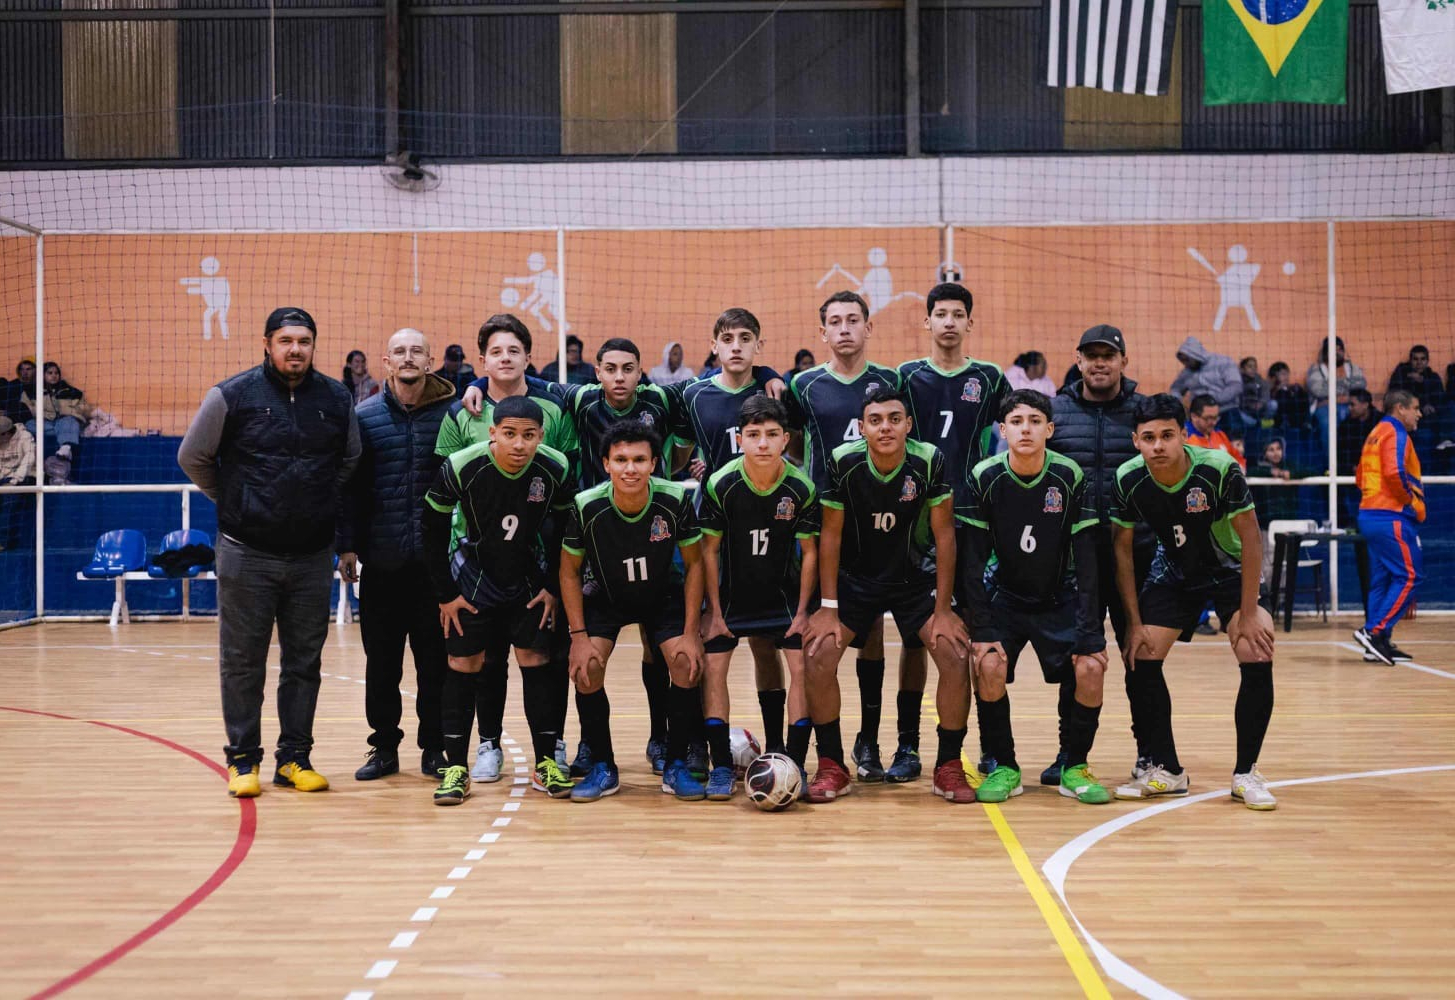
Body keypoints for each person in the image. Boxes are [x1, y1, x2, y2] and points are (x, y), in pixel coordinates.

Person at [178, 306, 361, 798]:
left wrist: (317, 501)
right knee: (242, 661)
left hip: (309, 557)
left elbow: (349, 461)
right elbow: (192, 457)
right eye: (286, 340)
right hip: (246, 553)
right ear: (267, 343)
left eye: (304, 340)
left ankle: (294, 760)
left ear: (313, 346)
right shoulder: (232, 395)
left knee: (304, 662)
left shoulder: (336, 397)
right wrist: (235, 498)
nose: (295, 349)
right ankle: (242, 760)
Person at [801, 386, 971, 804]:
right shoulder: (843, 462)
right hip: (856, 579)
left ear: (908, 425)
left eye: (895, 419)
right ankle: (831, 765)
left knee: (953, 652)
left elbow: (945, 534)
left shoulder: (928, 460)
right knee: (819, 652)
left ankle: (948, 765)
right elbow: (831, 535)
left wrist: (945, 608)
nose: (886, 427)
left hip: (913, 578)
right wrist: (827, 607)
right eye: (875, 420)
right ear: (862, 427)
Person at [1110, 393, 1278, 811]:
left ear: (1183, 436)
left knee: (1255, 650)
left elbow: (1253, 537)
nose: (1159, 445)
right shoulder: (1129, 478)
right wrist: (1132, 621)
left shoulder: (1219, 469)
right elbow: (1122, 552)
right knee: (1141, 653)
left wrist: (1250, 610)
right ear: (1136, 441)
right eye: (1149, 437)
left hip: (1232, 569)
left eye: (1168, 435)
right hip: (1177, 571)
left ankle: (1246, 773)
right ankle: (1168, 770)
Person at [437, 314, 578, 783]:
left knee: (540, 656)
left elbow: (560, 498)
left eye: (513, 351)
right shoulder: (466, 412)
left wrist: (553, 579)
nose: (505, 358)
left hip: (531, 561)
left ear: (527, 357)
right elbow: (437, 502)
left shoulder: (552, 410)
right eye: (495, 352)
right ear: (483, 361)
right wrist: (444, 583)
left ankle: (549, 749)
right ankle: (485, 746)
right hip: (476, 560)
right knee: (482, 660)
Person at [958, 390, 1110, 805]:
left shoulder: (1070, 475)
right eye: (1017, 422)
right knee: (986, 662)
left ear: (1049, 429)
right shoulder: (984, 476)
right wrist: (982, 624)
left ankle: (1074, 766)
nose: (1026, 428)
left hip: (1059, 596)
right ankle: (1004, 766)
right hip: (1005, 596)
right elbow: (970, 561)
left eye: (1035, 421)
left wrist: (1090, 627)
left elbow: (1088, 558)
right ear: (1002, 430)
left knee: (1092, 667)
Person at [785, 292, 911, 786]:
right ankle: (827, 750)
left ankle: (870, 739)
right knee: (826, 634)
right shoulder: (804, 385)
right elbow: (795, 443)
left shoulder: (890, 382)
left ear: (868, 327)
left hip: (879, 521)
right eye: (834, 322)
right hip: (824, 522)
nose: (844, 329)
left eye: (852, 320)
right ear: (822, 333)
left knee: (874, 633)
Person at [558, 422, 707, 802]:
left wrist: (691, 632)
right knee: (586, 668)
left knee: (685, 662)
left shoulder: (674, 499)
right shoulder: (586, 504)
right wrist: (577, 637)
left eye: (640, 460)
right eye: (621, 459)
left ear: (654, 463)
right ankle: (604, 766)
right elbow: (568, 571)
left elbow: (694, 565)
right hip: (607, 597)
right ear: (606, 463)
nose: (630, 468)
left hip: (661, 596)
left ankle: (675, 764)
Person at [898, 282, 1007, 780]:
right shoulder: (905, 376)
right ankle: (906, 746)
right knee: (915, 639)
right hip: (915, 521)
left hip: (973, 520)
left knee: (973, 634)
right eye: (939, 314)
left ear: (969, 323)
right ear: (926, 322)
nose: (947, 322)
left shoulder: (989, 377)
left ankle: (985, 746)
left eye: (957, 314)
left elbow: (1015, 430)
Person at [337, 329, 455, 783]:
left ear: (430, 361)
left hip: (436, 566)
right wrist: (347, 545)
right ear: (386, 361)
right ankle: (383, 747)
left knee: (435, 664)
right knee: (381, 664)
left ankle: (435, 749)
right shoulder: (363, 417)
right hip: (382, 564)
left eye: (417, 352)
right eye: (400, 352)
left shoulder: (453, 415)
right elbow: (349, 487)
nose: (408, 358)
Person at [677, 309, 795, 754]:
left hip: (769, 533)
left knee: (768, 645)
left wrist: (770, 375)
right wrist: (697, 465)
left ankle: (779, 744)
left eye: (747, 338)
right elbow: (679, 445)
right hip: (716, 534)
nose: (737, 346)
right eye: (728, 338)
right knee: (714, 639)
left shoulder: (775, 390)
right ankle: (705, 749)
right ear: (714, 345)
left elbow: (794, 445)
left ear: (758, 346)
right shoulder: (694, 395)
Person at [699, 396, 820, 799]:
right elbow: (708, 552)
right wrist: (713, 612)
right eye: (754, 435)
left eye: (771, 435)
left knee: (799, 667)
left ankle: (792, 760)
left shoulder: (800, 486)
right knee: (715, 670)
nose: (763, 443)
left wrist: (803, 613)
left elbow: (810, 555)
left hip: (782, 598)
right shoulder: (721, 483)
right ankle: (720, 768)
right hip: (731, 599)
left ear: (785, 439)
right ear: (740, 438)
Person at [1050, 323, 1155, 785]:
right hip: (1075, 558)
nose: (1099, 363)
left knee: (1141, 655)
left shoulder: (1143, 412)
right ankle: (1069, 755)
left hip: (1137, 554)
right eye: (1091, 355)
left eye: (1107, 355)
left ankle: (1150, 752)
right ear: (1078, 359)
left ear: (1123, 362)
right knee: (1079, 659)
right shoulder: (1056, 411)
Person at [1351, 390, 1425, 666]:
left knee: (1383, 579)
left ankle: (1377, 644)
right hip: (1389, 516)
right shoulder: (1396, 433)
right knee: (1409, 576)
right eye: (1415, 408)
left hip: (1370, 514)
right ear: (1399, 408)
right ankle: (1373, 631)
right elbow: (1394, 473)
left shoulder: (1375, 433)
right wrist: (1408, 502)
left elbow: (1360, 476)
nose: (1418, 413)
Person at [22, 361, 89, 484]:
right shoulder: (31, 391)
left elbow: (84, 409)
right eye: (50, 373)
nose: (54, 376)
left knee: (68, 422)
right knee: (29, 425)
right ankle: (64, 435)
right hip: (45, 423)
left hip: (65, 421)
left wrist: (67, 411)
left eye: (56, 373)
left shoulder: (71, 391)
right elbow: (28, 409)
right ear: (42, 375)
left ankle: (66, 448)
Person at [1170, 336, 1243, 430]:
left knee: (1233, 444)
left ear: (1195, 354)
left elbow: (1236, 386)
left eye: (1187, 359)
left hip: (1227, 412)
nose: (1185, 363)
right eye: (1183, 361)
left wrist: (1212, 401)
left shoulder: (1223, 362)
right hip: (1201, 417)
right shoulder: (1186, 372)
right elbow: (1175, 388)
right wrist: (1178, 401)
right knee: (1200, 444)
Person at [1306, 337, 1366, 444]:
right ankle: (1330, 460)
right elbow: (1318, 390)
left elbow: (1361, 385)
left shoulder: (1352, 368)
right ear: (1326, 352)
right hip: (1325, 407)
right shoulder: (1316, 369)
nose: (1337, 353)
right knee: (1328, 424)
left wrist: (1331, 387)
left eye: (1340, 349)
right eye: (1333, 349)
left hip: (1351, 404)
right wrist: (1346, 385)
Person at [1386, 345, 1446, 442]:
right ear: (1410, 360)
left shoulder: (1433, 377)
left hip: (1430, 417)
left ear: (1427, 361)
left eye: (1422, 359)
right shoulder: (1401, 374)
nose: (1419, 363)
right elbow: (1395, 394)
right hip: (1406, 416)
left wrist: (1423, 382)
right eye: (1415, 359)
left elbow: (1441, 397)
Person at [1337, 389, 1379, 524]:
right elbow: (1341, 451)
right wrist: (1352, 466)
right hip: (1352, 468)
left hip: (1377, 469)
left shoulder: (1382, 423)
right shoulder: (1345, 425)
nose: (1349, 408)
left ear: (1365, 405)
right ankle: (1343, 523)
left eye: (1352, 404)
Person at [0, 415, 36, 551]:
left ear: (6, 433)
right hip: (4, 478)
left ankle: (4, 541)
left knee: (9, 500)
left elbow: (29, 461)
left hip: (25, 477)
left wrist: (14, 481)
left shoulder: (25, 437)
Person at [1186, 394, 1247, 469]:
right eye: (1208, 418)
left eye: (1215, 418)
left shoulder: (1219, 435)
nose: (1213, 422)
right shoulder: (1184, 438)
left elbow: (1237, 458)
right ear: (1194, 416)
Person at [1268, 362, 1311, 431]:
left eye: (1287, 373)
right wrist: (1278, 389)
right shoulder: (1271, 391)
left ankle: (1305, 422)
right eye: (1282, 374)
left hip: (1297, 417)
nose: (1286, 376)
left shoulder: (1294, 388)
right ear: (1274, 377)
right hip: (1277, 421)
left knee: (1298, 389)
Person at [1238, 356, 1274, 429]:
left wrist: (1261, 403)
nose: (1253, 369)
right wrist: (1249, 405)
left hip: (1259, 409)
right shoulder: (1238, 381)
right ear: (1242, 369)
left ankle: (1263, 423)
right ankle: (1258, 424)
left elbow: (1266, 394)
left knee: (1273, 404)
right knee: (1238, 413)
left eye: (1255, 366)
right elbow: (1237, 399)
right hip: (1246, 410)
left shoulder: (1260, 380)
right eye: (1250, 366)